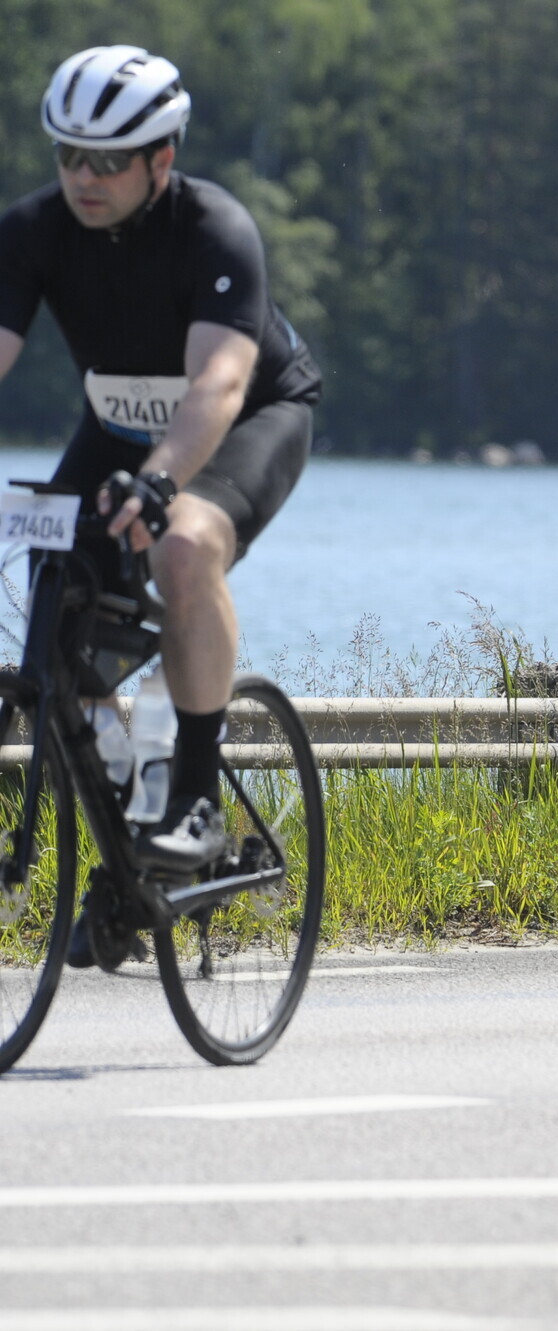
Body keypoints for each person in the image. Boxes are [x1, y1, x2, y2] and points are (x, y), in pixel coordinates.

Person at [0, 46, 321, 962]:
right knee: (59, 625)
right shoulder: (32, 231)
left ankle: (195, 802)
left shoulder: (216, 230)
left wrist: (162, 480)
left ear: (161, 159)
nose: (83, 177)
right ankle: (131, 842)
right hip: (116, 424)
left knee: (183, 546)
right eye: (69, 155)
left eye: (107, 161)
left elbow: (218, 383)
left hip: (242, 420)